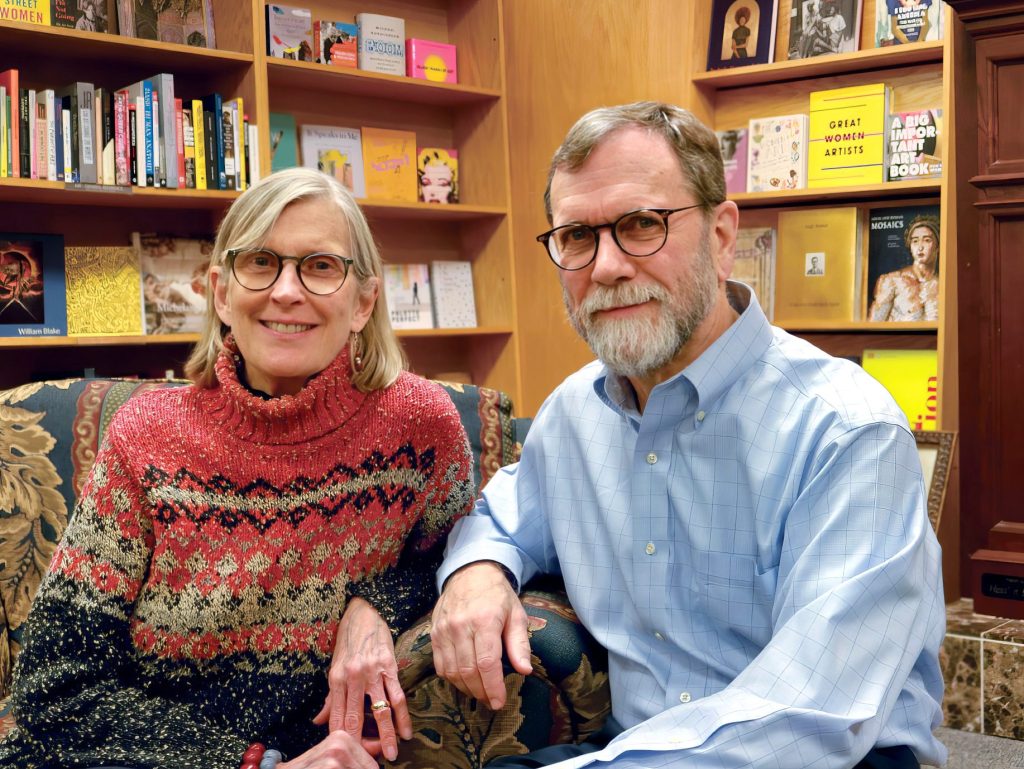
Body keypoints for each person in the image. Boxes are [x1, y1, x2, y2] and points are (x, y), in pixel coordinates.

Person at [429, 101, 945, 769]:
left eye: (642, 224)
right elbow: (500, 513)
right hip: (637, 747)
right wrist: (475, 573)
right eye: (578, 236)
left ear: (723, 235)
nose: (607, 265)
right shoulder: (573, 416)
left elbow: (810, 711)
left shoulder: (846, 429)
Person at [0, 167, 474, 769]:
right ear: (221, 292)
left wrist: (374, 603)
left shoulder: (418, 425)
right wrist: (255, 765)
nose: (286, 291)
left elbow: (461, 556)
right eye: (260, 262)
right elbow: (53, 689)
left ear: (364, 301)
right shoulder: (148, 436)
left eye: (321, 267)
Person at [868, 214, 940, 321]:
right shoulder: (892, 281)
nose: (920, 247)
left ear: (937, 246)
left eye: (927, 240)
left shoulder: (944, 285)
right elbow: (874, 324)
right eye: (915, 241)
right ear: (910, 246)